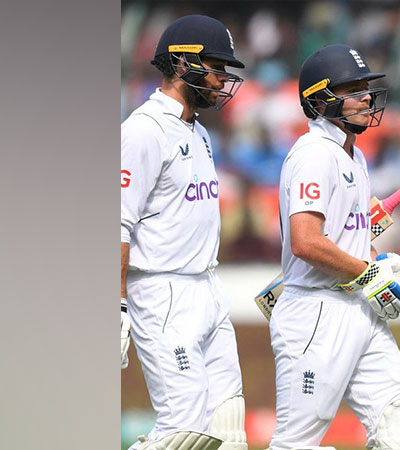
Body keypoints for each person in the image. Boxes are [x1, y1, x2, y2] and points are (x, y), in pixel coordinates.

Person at [270, 44, 400, 450]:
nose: (367, 97)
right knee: (297, 444)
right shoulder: (314, 155)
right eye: (353, 89)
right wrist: (367, 273)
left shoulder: (354, 157)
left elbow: (351, 247)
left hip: (357, 309)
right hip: (315, 314)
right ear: (321, 99)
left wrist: (391, 286)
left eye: (366, 87)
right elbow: (307, 243)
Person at [120, 15, 247, 450]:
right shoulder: (143, 130)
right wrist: (117, 305)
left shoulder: (201, 133)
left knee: (228, 426)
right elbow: (116, 223)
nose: (222, 80)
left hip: (207, 287)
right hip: (162, 293)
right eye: (215, 67)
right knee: (184, 432)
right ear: (181, 64)